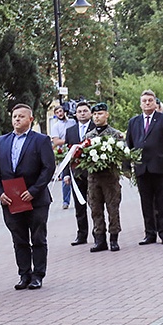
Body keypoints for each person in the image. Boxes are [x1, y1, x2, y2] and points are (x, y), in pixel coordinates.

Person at [0, 104, 55, 289]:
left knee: (38, 238)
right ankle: (24, 274)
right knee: (19, 239)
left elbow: (48, 168)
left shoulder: (41, 140)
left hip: (36, 199)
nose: (17, 119)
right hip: (11, 200)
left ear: (30, 120)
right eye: (14, 116)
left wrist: (34, 190)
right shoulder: (1, 141)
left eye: (21, 116)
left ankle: (38, 275)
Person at [126, 89, 163, 245]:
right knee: (146, 202)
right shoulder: (134, 122)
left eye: (150, 100)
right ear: (140, 104)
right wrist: (126, 168)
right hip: (142, 168)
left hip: (160, 166)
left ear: (155, 103)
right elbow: (128, 145)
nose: (147, 103)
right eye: (144, 101)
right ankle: (149, 233)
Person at [85, 102, 124, 252]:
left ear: (106, 115)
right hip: (94, 179)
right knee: (95, 209)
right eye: (94, 114)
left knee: (112, 208)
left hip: (109, 178)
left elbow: (122, 154)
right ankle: (99, 239)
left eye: (100, 113)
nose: (97, 117)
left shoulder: (115, 134)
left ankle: (114, 238)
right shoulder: (89, 136)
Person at [63, 101, 94, 246]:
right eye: (79, 111)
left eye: (85, 111)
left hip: (94, 173)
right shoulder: (71, 131)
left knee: (95, 204)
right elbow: (66, 154)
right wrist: (66, 174)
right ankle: (82, 235)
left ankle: (98, 233)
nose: (82, 113)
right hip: (76, 174)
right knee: (79, 206)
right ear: (75, 114)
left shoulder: (96, 128)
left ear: (90, 113)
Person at [49, 105, 76, 209]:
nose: (60, 114)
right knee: (66, 177)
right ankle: (66, 201)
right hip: (64, 152)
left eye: (61, 111)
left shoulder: (72, 122)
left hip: (75, 150)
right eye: (57, 112)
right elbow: (56, 141)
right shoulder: (55, 126)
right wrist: (69, 140)